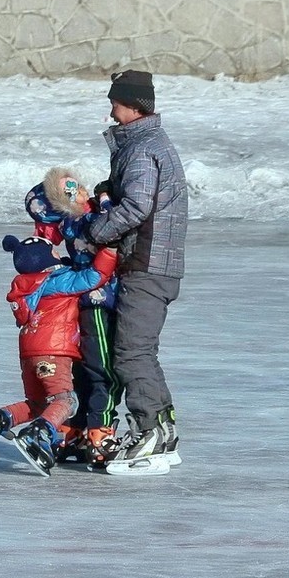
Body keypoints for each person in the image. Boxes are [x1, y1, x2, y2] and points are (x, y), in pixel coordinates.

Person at [85, 69, 188, 473]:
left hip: (147, 264)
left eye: (114, 102)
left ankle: (150, 430)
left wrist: (97, 231)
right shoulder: (147, 143)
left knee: (131, 352)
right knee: (140, 351)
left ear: (131, 105)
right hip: (155, 263)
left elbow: (138, 206)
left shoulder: (145, 147)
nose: (111, 110)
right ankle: (161, 429)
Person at [0, 235, 117, 476]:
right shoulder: (57, 280)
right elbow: (93, 277)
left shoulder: (27, 286)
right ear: (46, 260)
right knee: (66, 400)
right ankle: (41, 432)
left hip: (29, 352)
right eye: (55, 252)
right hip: (53, 351)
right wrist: (110, 251)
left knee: (39, 404)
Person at [25, 168, 125, 466]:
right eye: (75, 191)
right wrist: (107, 198)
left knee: (87, 370)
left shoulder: (75, 219)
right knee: (103, 370)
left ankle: (76, 429)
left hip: (97, 300)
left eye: (79, 187)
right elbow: (111, 226)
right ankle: (99, 432)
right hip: (99, 301)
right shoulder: (82, 221)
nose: (82, 192)